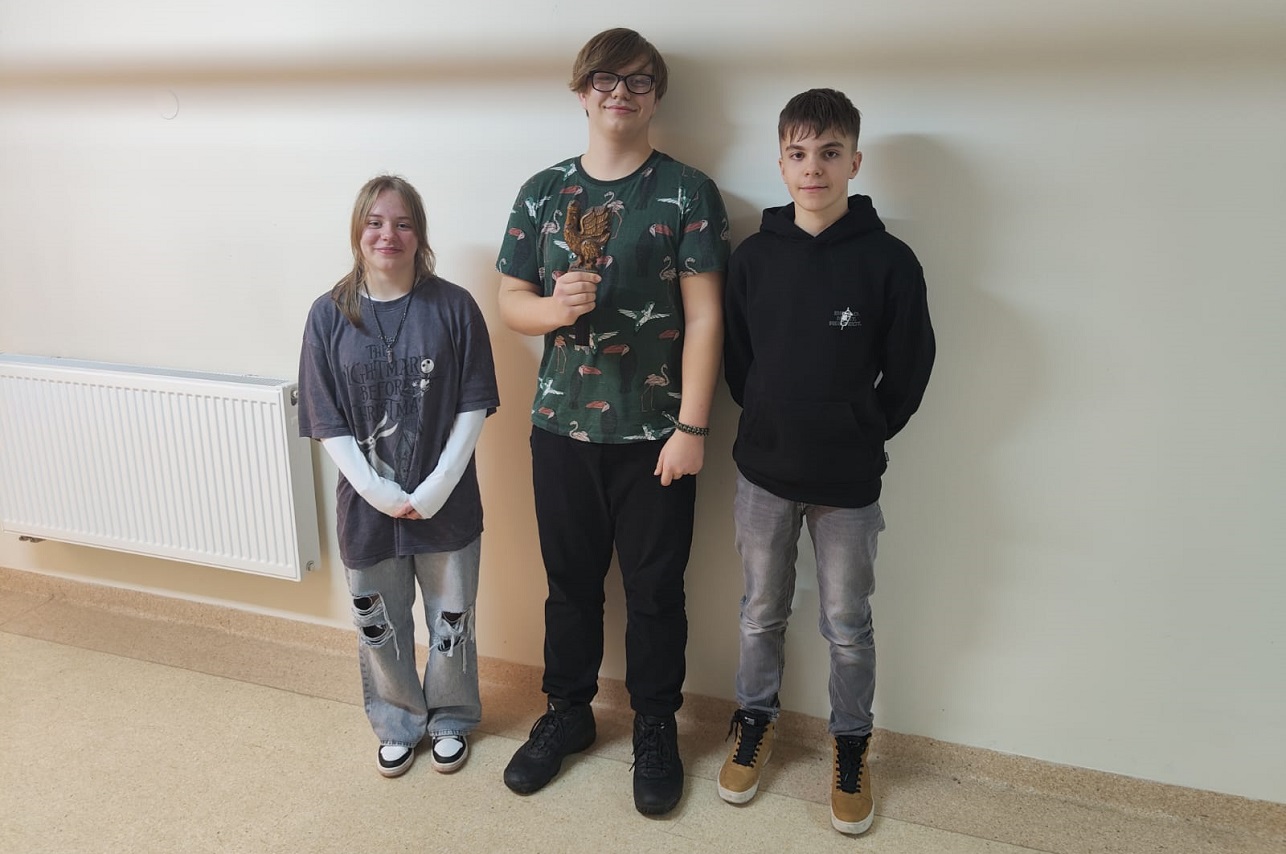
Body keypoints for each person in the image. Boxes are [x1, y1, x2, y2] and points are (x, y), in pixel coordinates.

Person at [495, 28, 729, 816]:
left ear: (656, 96)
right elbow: (510, 300)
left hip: (656, 435)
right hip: (561, 428)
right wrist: (552, 308)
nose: (619, 92)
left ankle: (655, 725)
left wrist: (692, 428)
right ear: (581, 91)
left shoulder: (688, 192)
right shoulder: (543, 192)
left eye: (637, 80)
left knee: (656, 590)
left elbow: (706, 318)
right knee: (569, 587)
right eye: (604, 78)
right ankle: (568, 712)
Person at [719, 89, 935, 835]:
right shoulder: (753, 259)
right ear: (782, 164)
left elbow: (910, 369)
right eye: (799, 154)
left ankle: (851, 744)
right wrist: (771, 417)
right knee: (760, 612)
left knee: (847, 622)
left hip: (847, 480)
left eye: (830, 153)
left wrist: (861, 427)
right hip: (764, 471)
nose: (814, 168)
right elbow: (738, 363)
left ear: (855, 161)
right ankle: (754, 722)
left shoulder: (890, 262)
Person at [298, 175, 499, 779]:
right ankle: (397, 720)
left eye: (403, 223)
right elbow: (326, 418)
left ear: (420, 234)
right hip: (367, 510)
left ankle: (451, 718)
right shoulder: (328, 316)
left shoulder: (454, 307)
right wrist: (379, 491)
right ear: (358, 231)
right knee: (378, 624)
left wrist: (435, 488)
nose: (389, 234)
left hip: (448, 504)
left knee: (452, 619)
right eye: (376, 222)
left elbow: (473, 404)